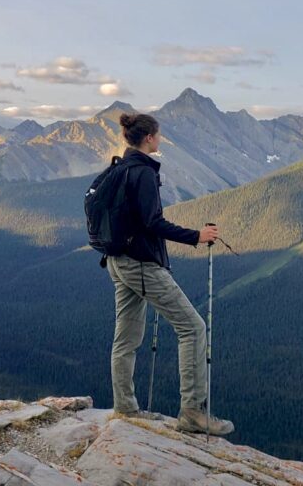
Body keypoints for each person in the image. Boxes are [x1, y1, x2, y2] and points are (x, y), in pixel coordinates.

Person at [107, 112, 234, 436]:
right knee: (193, 327)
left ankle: (124, 407)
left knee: (126, 338)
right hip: (142, 264)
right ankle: (193, 412)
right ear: (150, 137)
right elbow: (153, 223)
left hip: (117, 261)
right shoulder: (143, 173)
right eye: (159, 135)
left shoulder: (119, 168)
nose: (160, 139)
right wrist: (196, 236)